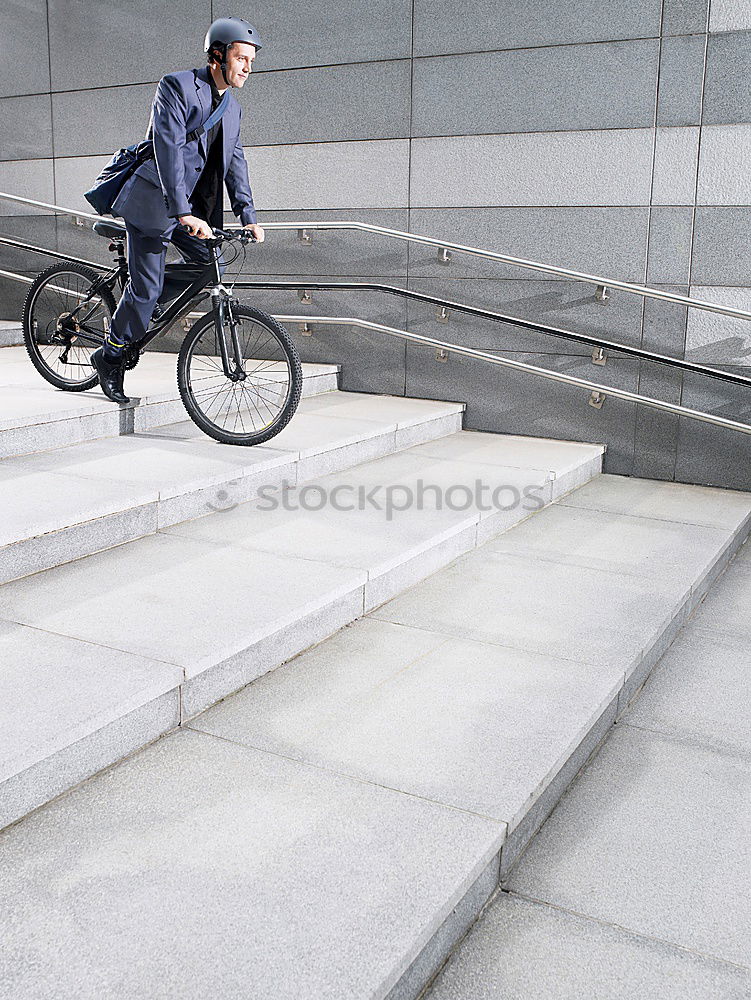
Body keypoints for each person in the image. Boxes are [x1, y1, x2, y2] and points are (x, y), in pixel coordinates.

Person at [90, 16, 265, 404]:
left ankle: (141, 299)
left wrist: (248, 215)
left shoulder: (232, 110)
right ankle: (111, 354)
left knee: (209, 263)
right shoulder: (177, 86)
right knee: (147, 288)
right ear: (217, 56)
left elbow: (236, 162)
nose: (248, 67)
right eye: (241, 59)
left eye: (251, 60)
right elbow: (166, 148)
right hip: (156, 201)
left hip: (191, 211)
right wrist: (181, 210)